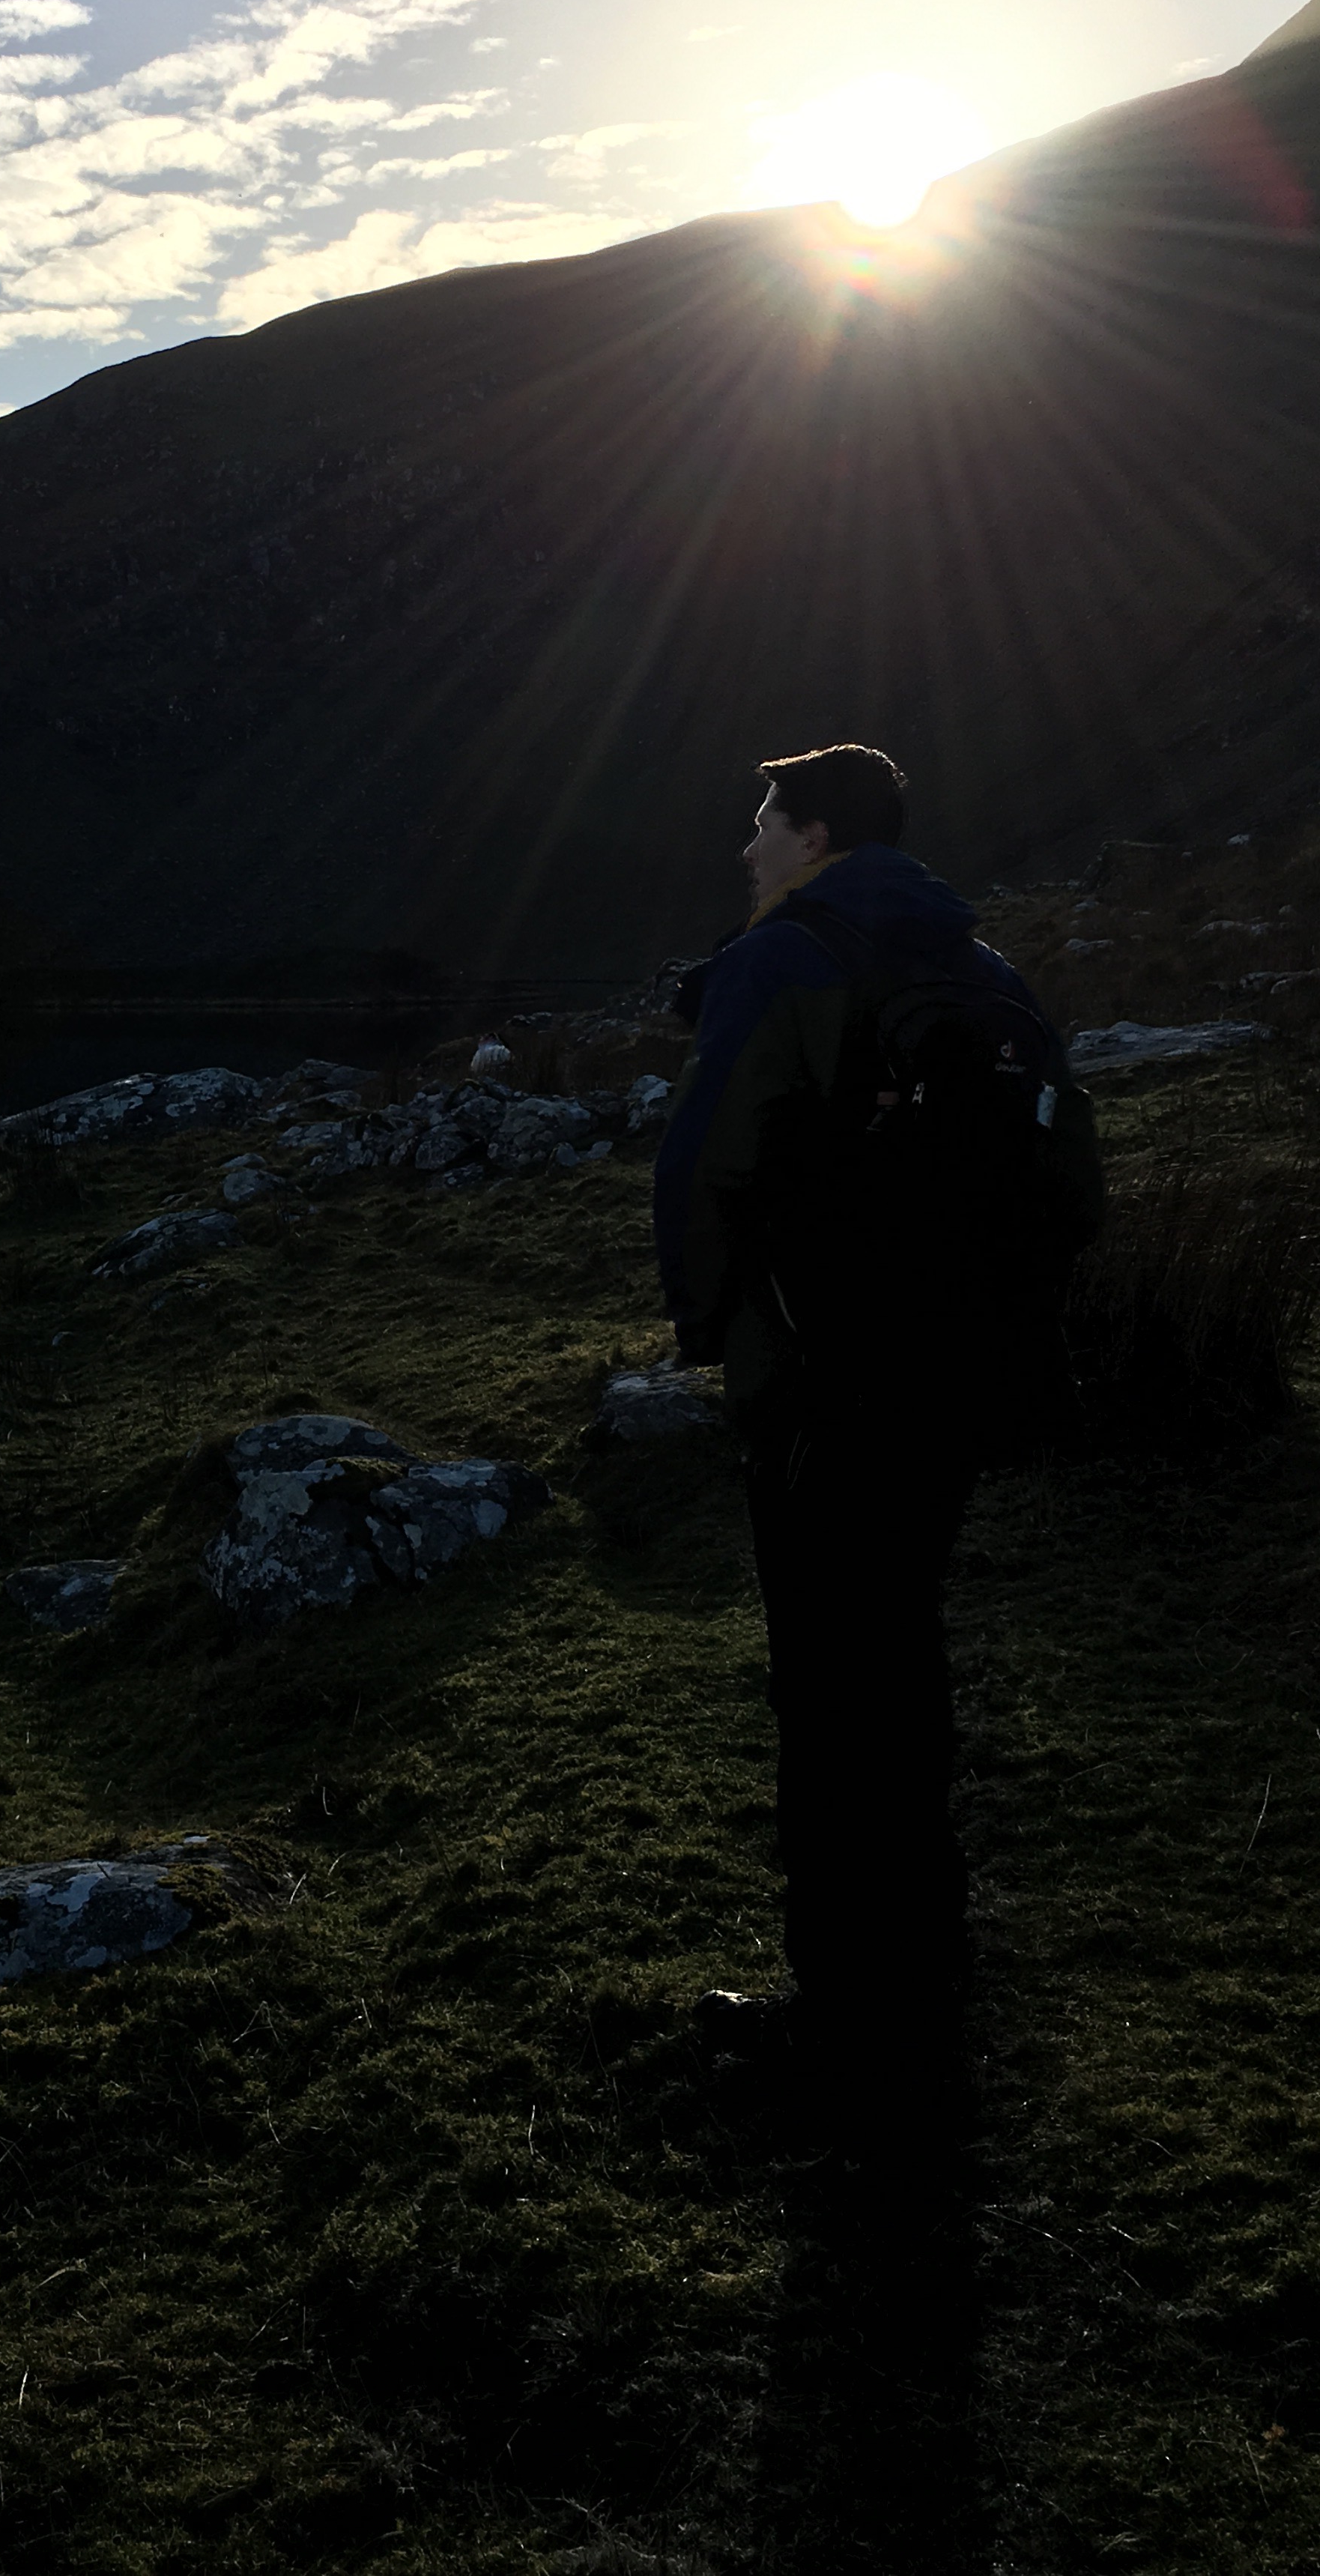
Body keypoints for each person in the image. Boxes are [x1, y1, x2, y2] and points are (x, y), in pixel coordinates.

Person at [650, 744, 1102, 2088]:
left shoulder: (783, 958)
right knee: (898, 1652)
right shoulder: (978, 965)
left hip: (823, 1377)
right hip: (954, 1373)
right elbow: (1072, 1172)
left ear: (815, 836)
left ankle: (846, 2015)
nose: (747, 847)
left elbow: (707, 1161)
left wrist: (713, 1331)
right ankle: (926, 1967)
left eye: (763, 821)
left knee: (829, 1681)